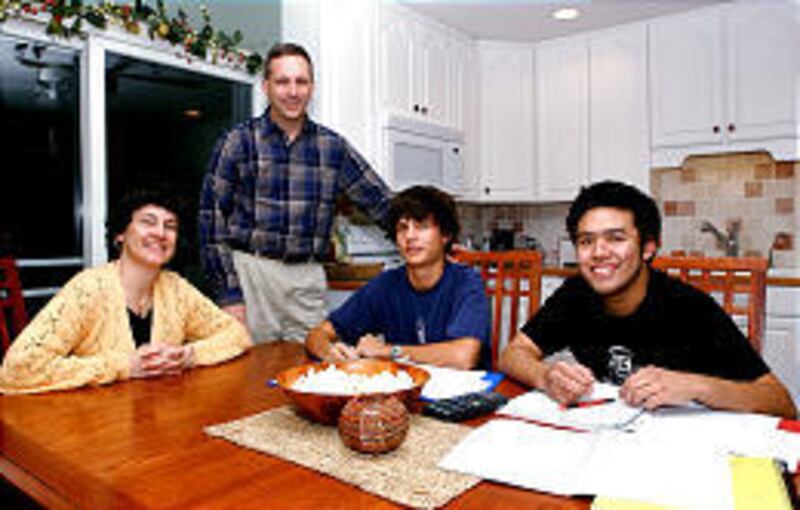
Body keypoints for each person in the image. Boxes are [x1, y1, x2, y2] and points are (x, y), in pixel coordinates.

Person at [498, 180, 796, 418]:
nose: (599, 252)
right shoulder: (575, 295)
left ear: (648, 248)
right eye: (586, 241)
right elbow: (513, 353)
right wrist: (545, 375)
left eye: (615, 238)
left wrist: (696, 386)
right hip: (607, 436)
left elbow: (781, 402)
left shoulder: (691, 309)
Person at [199, 42, 392, 343]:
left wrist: (434, 236)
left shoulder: (333, 147)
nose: (293, 91)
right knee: (249, 379)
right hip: (252, 275)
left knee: (310, 373)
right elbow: (211, 223)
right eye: (282, 81)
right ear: (266, 86)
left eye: (301, 81)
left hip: (307, 279)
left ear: (312, 87)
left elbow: (382, 203)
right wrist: (229, 294)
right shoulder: (237, 141)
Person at [0, 189, 252, 394]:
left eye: (170, 226)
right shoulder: (87, 289)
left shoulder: (176, 288)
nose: (161, 233)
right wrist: (125, 366)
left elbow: (237, 335)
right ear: (121, 234)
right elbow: (18, 369)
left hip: (161, 424)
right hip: (93, 429)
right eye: (148, 222)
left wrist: (188, 356)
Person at [306, 186, 490, 370]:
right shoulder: (386, 285)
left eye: (421, 227)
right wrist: (329, 353)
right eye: (402, 228)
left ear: (445, 235)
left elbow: (463, 357)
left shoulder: (466, 282)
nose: (410, 236)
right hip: (406, 391)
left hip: (464, 393)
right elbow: (318, 334)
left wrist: (388, 351)